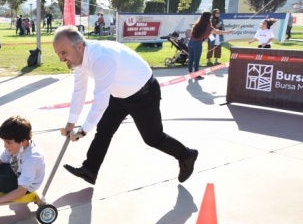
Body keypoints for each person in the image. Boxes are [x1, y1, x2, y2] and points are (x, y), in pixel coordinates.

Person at [52, 25, 199, 185]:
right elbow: (79, 91)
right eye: (58, 54)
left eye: (63, 53)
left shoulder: (101, 57)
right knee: (104, 130)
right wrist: (70, 123)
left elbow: (100, 100)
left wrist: (84, 130)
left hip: (144, 93)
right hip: (120, 94)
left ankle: (186, 155)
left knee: (153, 138)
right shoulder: (79, 59)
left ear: (79, 46)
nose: (61, 59)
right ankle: (90, 170)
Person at [187, 12, 233, 79]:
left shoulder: (197, 24)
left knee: (191, 59)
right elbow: (217, 32)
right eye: (210, 17)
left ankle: (190, 73)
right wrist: (228, 32)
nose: (211, 18)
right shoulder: (208, 26)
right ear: (208, 18)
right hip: (197, 44)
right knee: (196, 60)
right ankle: (197, 74)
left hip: (190, 43)